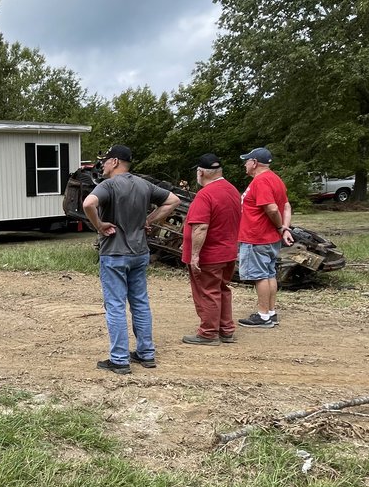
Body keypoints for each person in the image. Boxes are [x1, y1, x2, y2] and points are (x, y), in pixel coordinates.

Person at [82, 144, 180, 374]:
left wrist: (99, 225)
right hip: (139, 253)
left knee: (115, 306)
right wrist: (150, 220)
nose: (103, 165)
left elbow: (88, 204)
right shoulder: (143, 184)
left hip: (114, 254)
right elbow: (173, 201)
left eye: (105, 161)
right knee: (140, 303)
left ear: (115, 161)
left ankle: (119, 359)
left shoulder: (109, 185)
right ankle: (146, 354)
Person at [181, 153, 242, 345]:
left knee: (207, 291)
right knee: (222, 289)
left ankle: (208, 333)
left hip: (210, 254)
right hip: (227, 250)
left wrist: (195, 255)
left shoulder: (205, 194)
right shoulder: (232, 190)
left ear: (201, 172)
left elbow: (201, 226)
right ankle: (226, 329)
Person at [236, 147, 293, 328]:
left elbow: (273, 208)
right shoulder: (276, 179)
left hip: (257, 237)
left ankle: (262, 316)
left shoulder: (261, 181)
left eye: (247, 161)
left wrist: (279, 226)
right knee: (269, 274)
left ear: (254, 163)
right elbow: (286, 206)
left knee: (260, 276)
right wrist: (284, 229)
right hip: (270, 237)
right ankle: (270, 312)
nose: (245, 164)